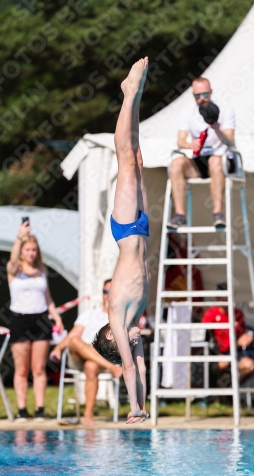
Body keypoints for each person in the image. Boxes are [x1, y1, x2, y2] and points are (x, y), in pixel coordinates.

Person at [92, 58, 150, 425]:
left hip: (126, 229)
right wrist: (145, 406)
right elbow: (140, 366)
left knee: (125, 158)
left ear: (116, 340)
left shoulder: (117, 318)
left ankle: (128, 94)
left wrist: (133, 408)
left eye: (129, 343)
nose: (137, 342)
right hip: (140, 228)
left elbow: (128, 368)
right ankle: (138, 95)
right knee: (138, 156)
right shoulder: (136, 319)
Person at [7, 220, 64, 421]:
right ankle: (22, 409)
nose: (31, 253)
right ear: (21, 251)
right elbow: (13, 260)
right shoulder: (14, 270)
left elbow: (47, 298)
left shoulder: (41, 271)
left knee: (39, 368)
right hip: (20, 320)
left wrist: (56, 317)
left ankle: (40, 409)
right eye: (27, 249)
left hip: (40, 319)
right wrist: (19, 236)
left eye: (33, 249)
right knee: (21, 369)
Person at [49, 279, 122, 426]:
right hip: (79, 356)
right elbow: (72, 336)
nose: (108, 295)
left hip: (101, 356)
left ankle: (88, 414)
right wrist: (57, 349)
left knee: (90, 366)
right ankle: (111, 367)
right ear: (102, 294)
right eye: (106, 292)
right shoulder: (89, 314)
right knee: (75, 340)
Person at [167, 77, 235, 229]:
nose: (202, 98)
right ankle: (179, 214)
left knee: (215, 161)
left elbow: (230, 141)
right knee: (176, 163)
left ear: (211, 92)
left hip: (223, 160)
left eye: (205, 94)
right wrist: (189, 144)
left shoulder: (225, 109)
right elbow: (180, 141)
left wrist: (217, 129)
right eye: (198, 95)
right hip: (199, 160)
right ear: (193, 95)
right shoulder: (188, 112)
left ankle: (218, 212)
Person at [201, 283, 254, 382]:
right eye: (222, 296)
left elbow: (241, 334)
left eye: (227, 296)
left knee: (250, 366)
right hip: (216, 353)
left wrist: (246, 338)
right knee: (224, 362)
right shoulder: (210, 314)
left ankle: (228, 387)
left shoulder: (238, 313)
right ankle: (217, 389)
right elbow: (203, 337)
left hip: (235, 352)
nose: (224, 299)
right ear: (217, 297)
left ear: (233, 295)